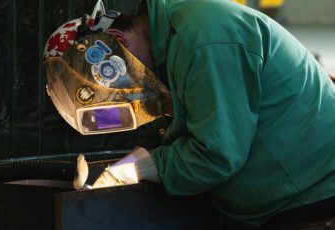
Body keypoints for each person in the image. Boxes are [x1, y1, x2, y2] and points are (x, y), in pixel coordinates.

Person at [45, 0, 335, 229]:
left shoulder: (201, 39)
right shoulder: (173, 40)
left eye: (118, 82)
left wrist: (146, 166)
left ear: (119, 41)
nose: (131, 89)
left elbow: (218, 155)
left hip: (316, 201)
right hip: (285, 205)